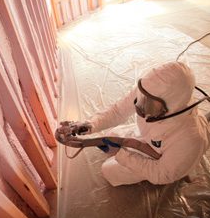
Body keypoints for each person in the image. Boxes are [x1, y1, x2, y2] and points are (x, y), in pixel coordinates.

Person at [70, 62, 210, 186]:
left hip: (163, 154)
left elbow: (162, 174)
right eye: (143, 96)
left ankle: (179, 166)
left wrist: (122, 155)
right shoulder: (151, 91)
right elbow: (118, 111)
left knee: (108, 170)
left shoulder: (189, 140)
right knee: (111, 135)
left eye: (149, 103)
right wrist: (91, 125)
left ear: (170, 107)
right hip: (152, 136)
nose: (140, 104)